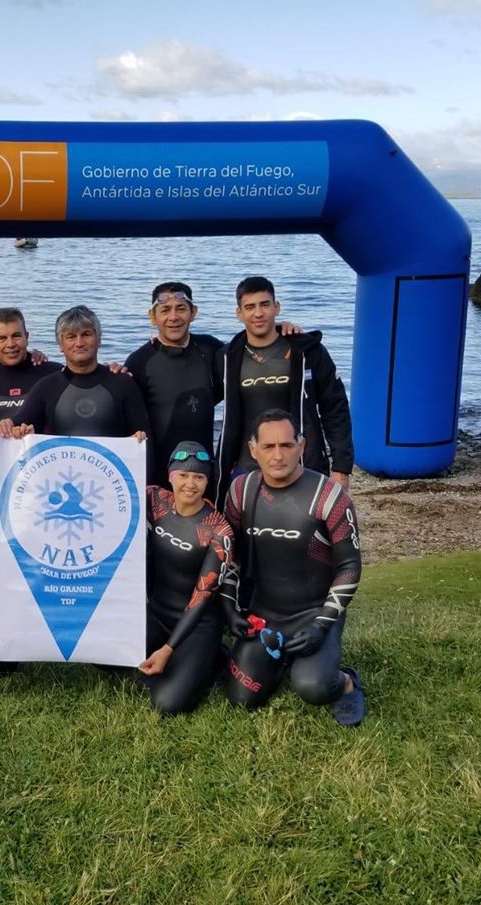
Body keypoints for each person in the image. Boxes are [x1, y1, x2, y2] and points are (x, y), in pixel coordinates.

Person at [219, 409, 365, 725]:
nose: (278, 456)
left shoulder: (329, 495)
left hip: (313, 612)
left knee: (312, 687)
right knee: (242, 698)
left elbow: (350, 566)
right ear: (252, 449)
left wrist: (321, 625)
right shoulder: (241, 491)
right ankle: (280, 658)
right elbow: (230, 556)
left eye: (286, 445)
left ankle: (348, 681)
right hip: (264, 614)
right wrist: (231, 610)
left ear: (302, 445)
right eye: (268, 447)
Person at [214, 275, 353, 506]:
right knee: (246, 537)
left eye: (264, 304)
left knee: (304, 535)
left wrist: (341, 466)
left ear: (276, 307)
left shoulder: (308, 352)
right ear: (239, 313)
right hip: (245, 467)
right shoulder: (226, 357)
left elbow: (335, 408)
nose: (258, 313)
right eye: (250, 307)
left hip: (301, 465)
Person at [139, 441, 233, 716]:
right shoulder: (155, 500)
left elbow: (202, 598)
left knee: (166, 703)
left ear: (207, 481)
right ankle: (183, 659)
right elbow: (112, 488)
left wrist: (168, 649)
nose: (190, 484)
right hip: (156, 615)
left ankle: (212, 657)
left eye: (199, 476)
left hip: (197, 624)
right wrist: (132, 444)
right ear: (170, 475)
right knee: (107, 660)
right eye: (183, 475)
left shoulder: (218, 530)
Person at [0, 305, 151, 442]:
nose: (79, 343)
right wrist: (7, 426)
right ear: (60, 344)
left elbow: (144, 439)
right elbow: (19, 421)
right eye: (71, 336)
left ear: (99, 339)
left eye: (86, 334)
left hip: (114, 475)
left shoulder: (123, 383)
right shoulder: (47, 387)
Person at [124, 283, 224, 485]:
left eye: (181, 308)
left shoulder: (211, 349)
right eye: (165, 310)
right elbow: (129, 418)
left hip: (202, 471)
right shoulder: (139, 362)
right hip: (157, 473)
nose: (174, 317)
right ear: (153, 316)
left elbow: (248, 352)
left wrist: (277, 330)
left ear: (193, 312)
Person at [0, 307, 62, 454]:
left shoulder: (52, 373)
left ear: (27, 336)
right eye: (2, 338)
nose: (10, 344)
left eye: (16, 336)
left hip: (43, 466)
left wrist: (106, 369)